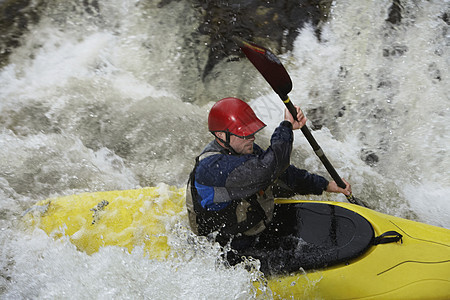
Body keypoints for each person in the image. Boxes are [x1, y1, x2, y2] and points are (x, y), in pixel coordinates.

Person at [186, 97, 351, 265]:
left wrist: (326, 185)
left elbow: (285, 173)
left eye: (252, 132)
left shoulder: (242, 149)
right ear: (221, 135)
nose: (252, 138)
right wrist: (286, 127)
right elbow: (269, 167)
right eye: (244, 133)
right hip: (226, 246)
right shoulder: (212, 168)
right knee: (287, 260)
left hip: (251, 225)